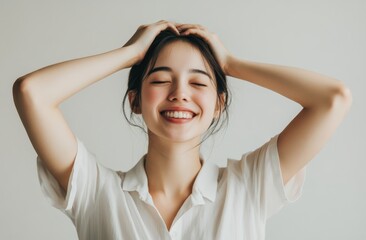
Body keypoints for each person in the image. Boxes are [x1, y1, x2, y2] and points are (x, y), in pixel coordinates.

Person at [13, 20, 352, 239]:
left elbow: (332, 99)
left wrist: (233, 64)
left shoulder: (248, 186)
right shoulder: (96, 193)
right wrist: (129, 53)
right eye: (160, 79)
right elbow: (32, 92)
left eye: (198, 82)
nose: (179, 93)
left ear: (219, 104)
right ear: (134, 100)